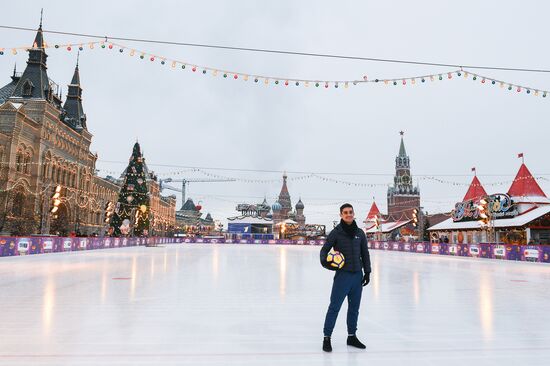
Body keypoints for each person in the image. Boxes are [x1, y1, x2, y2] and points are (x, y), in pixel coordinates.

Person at [320, 203, 371, 352]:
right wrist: (329, 265)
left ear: (353, 214)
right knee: (334, 307)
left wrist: (367, 272)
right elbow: (324, 252)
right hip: (343, 277)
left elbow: (365, 254)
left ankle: (351, 336)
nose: (348, 214)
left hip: (357, 277)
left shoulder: (360, 233)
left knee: (354, 308)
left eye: (350, 212)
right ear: (341, 215)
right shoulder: (336, 233)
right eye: (345, 212)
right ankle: (327, 338)